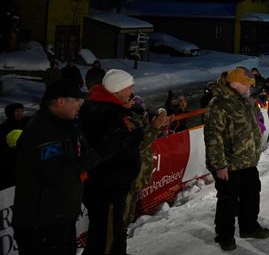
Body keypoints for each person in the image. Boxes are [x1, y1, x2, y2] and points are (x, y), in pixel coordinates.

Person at [12, 80, 121, 255]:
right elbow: (57, 173)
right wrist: (100, 152)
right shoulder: (42, 131)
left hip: (61, 217)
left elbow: (82, 157)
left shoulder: (66, 125)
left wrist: (110, 146)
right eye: (77, 99)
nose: (81, 103)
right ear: (60, 101)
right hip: (42, 224)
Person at [79, 69, 145, 255]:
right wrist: (138, 134)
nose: (132, 91)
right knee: (104, 234)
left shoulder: (112, 109)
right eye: (129, 87)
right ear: (117, 90)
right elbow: (116, 144)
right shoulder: (104, 113)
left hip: (114, 184)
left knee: (112, 230)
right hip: (106, 187)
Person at [204, 67, 269, 251]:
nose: (250, 87)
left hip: (247, 161)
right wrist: (220, 166)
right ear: (235, 84)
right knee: (228, 200)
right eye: (246, 84)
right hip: (229, 164)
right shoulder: (218, 105)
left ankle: (249, 226)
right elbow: (213, 138)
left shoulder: (243, 101)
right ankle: (224, 235)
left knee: (251, 194)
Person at [124, 97, 169, 225]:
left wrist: (160, 127)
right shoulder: (124, 120)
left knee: (129, 212)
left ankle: (123, 233)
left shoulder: (135, 117)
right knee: (122, 215)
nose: (132, 101)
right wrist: (155, 127)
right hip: (128, 174)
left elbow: (146, 139)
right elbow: (140, 142)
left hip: (137, 173)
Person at [1, 103, 28, 189]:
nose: (20, 113)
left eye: (21, 111)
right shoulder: (3, 127)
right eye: (17, 111)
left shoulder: (26, 123)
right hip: (10, 162)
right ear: (10, 113)